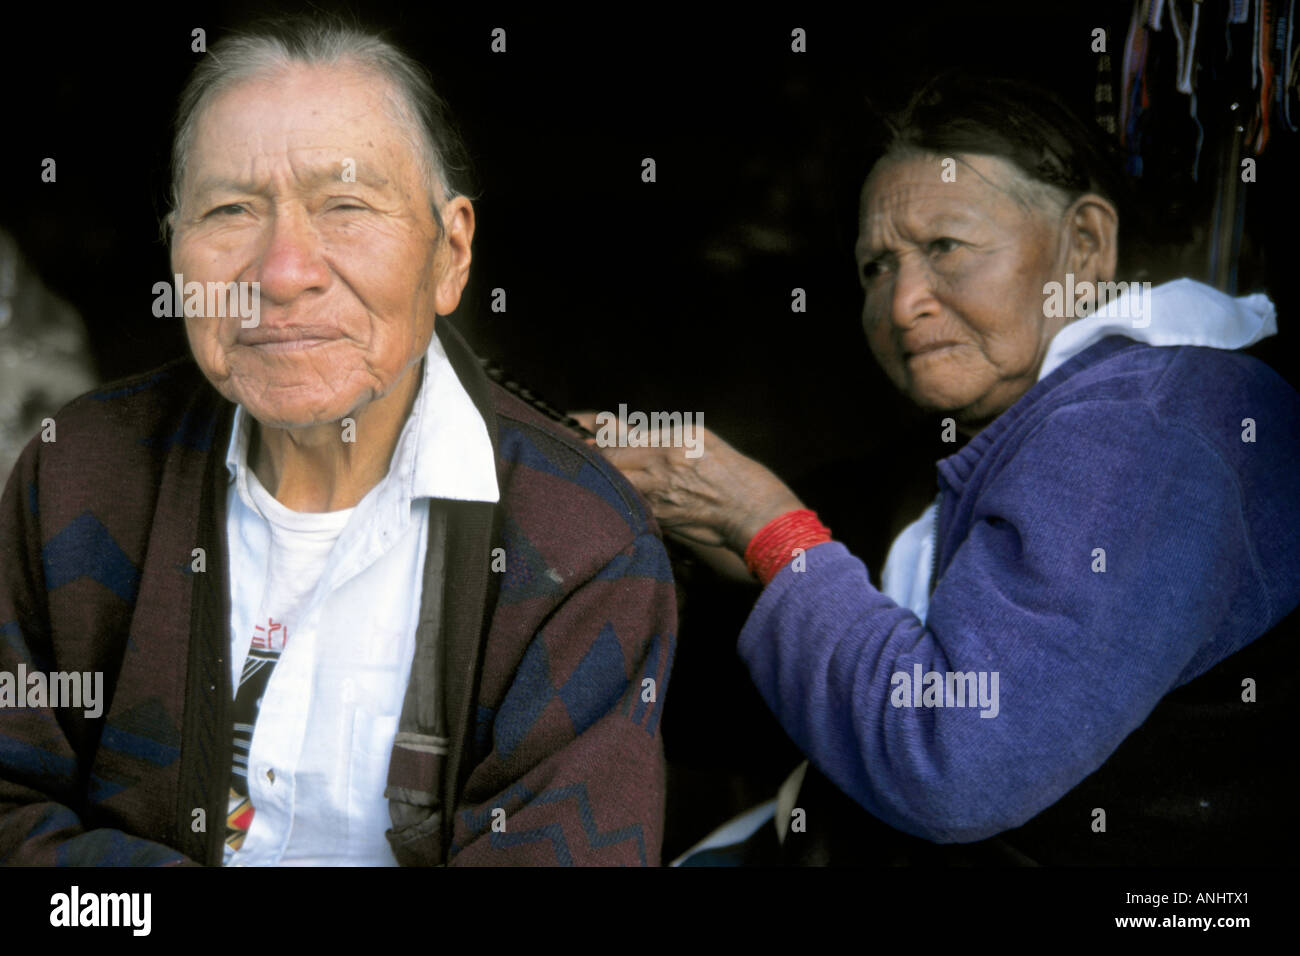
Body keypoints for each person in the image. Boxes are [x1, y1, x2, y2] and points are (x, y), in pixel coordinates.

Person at [0, 19, 676, 867]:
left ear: (450, 255)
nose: (283, 272)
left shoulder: (581, 546)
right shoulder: (76, 474)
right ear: (176, 253)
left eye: (346, 205)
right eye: (230, 209)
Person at [580, 73, 1300, 865]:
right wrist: (715, 522)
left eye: (945, 248)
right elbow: (863, 585)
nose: (902, 303)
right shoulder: (1033, 427)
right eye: (876, 267)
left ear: (1086, 244)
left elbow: (952, 763)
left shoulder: (1145, 423)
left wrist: (763, 524)